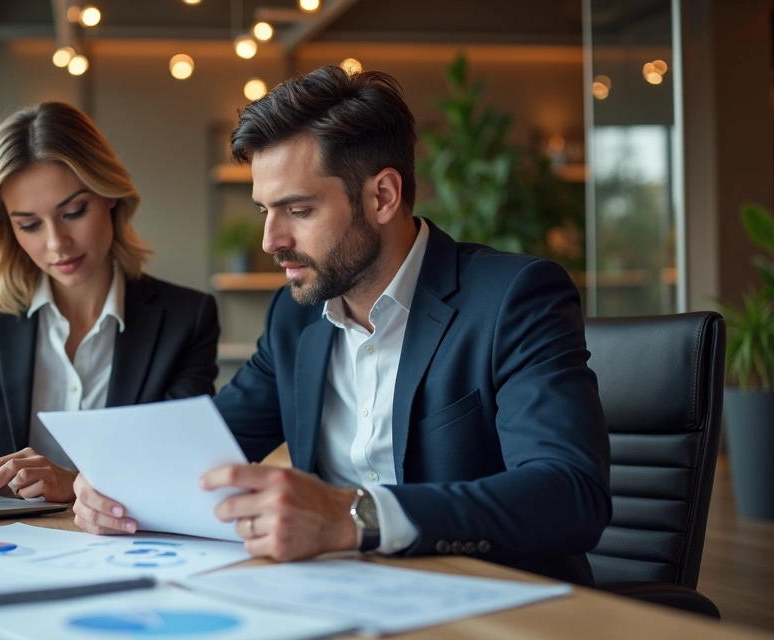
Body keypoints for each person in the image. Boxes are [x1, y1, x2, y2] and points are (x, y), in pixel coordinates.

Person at [71, 67, 611, 585]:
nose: (270, 241)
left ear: (382, 196)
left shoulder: (512, 298)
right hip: (333, 600)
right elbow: (203, 451)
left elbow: (569, 496)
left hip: (493, 608)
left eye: (298, 211)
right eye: (264, 211)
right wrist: (112, 488)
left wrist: (352, 517)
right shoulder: (295, 318)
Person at [0, 102, 219, 504]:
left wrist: (74, 483)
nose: (57, 244)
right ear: (8, 226)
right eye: (29, 225)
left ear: (110, 195)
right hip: (2, 544)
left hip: (127, 542)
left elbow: (178, 462)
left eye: (74, 212)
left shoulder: (187, 319)